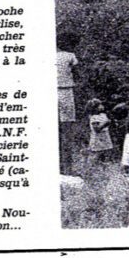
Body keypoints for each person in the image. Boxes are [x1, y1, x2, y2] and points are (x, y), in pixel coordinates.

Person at [56, 32, 81, 175]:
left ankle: (60, 167)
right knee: (67, 130)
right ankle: (67, 169)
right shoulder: (70, 56)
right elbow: (77, 73)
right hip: (65, 92)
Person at [85, 99, 114, 165]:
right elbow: (96, 129)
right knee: (96, 154)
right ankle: (91, 166)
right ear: (95, 108)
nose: (102, 106)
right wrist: (105, 124)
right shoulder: (94, 117)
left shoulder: (103, 115)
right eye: (100, 105)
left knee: (106, 152)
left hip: (105, 137)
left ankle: (104, 165)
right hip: (97, 139)